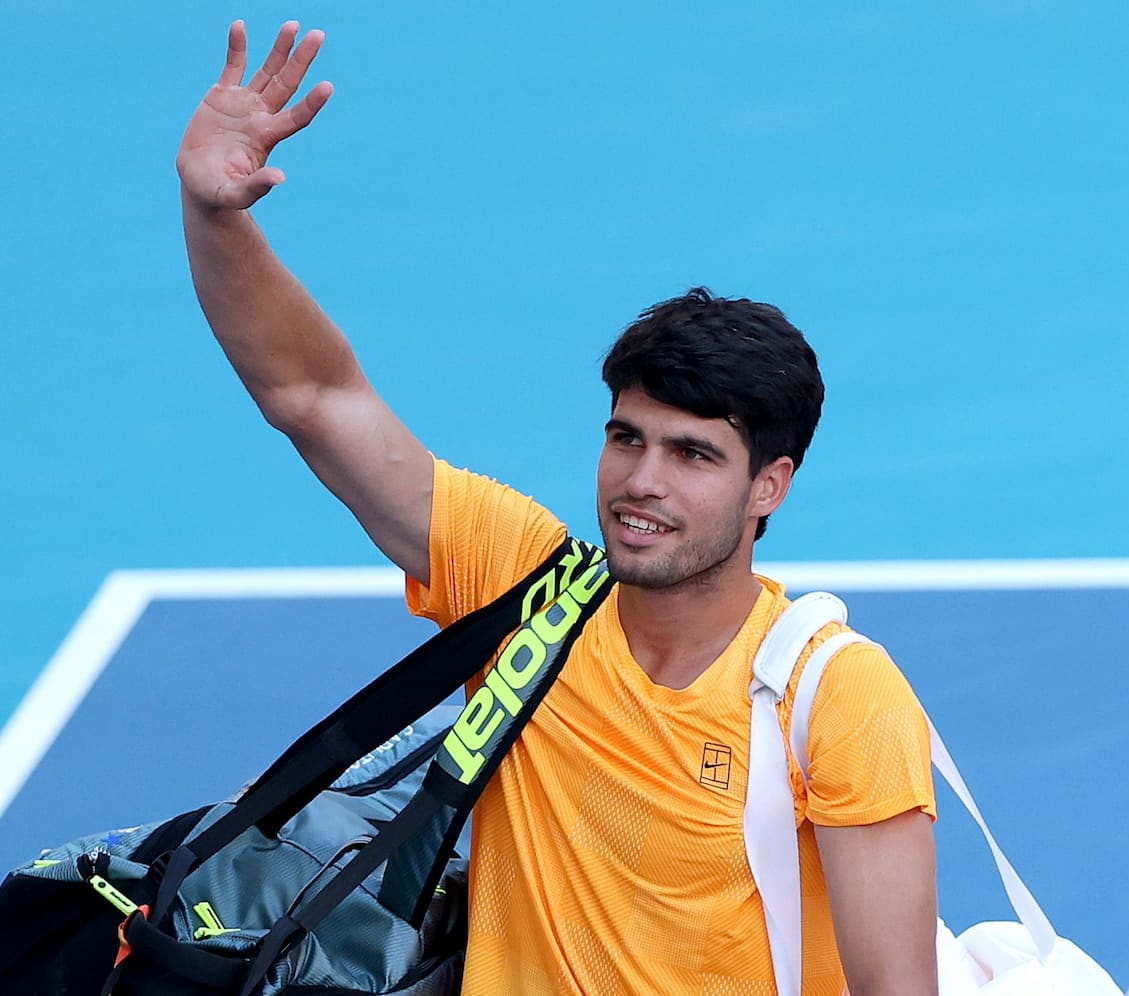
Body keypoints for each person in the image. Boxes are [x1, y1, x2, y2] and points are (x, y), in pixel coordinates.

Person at [177, 20, 939, 996]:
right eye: (628, 438)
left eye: (693, 455)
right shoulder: (525, 584)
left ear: (770, 487)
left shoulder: (838, 702)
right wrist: (216, 215)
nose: (642, 482)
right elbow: (316, 400)